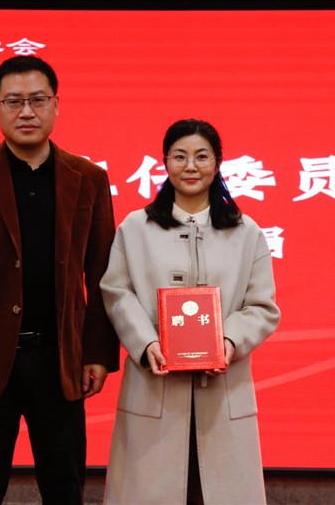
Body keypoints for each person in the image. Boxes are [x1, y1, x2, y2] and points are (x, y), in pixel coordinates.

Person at [0, 55, 119, 505]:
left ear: (56, 105)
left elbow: (102, 274)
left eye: (37, 100)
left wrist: (98, 353)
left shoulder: (88, 178)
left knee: (65, 489)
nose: (26, 111)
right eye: (13, 101)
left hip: (59, 361)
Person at [100, 119, 281, 504]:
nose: (190, 166)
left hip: (223, 390)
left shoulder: (246, 232)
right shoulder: (136, 227)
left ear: (217, 162)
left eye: (202, 156)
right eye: (179, 157)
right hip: (154, 386)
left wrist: (228, 341)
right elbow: (117, 292)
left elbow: (262, 307)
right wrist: (145, 343)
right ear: (165, 162)